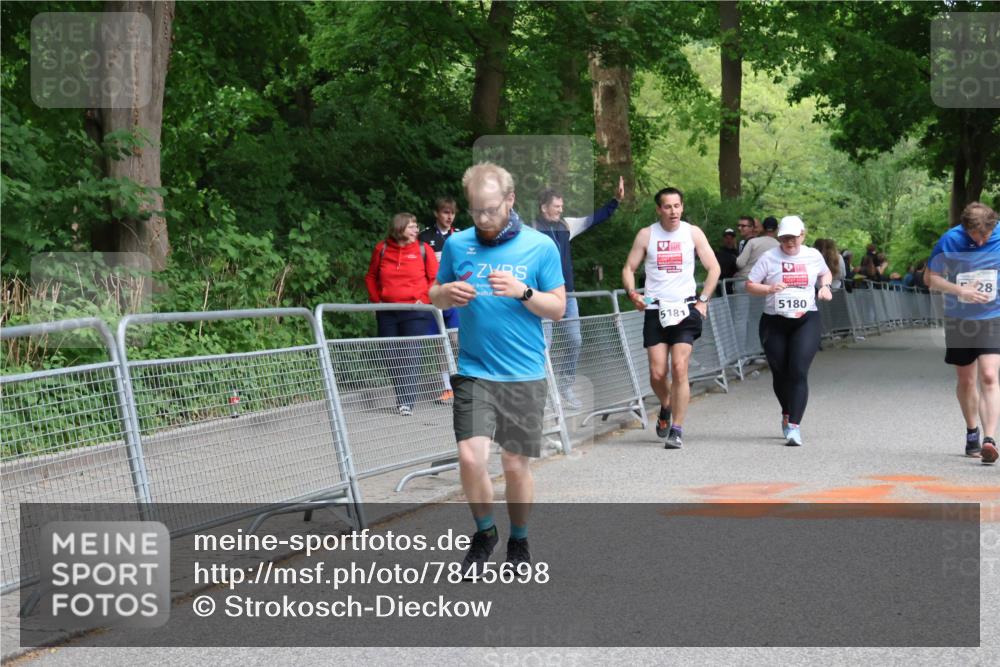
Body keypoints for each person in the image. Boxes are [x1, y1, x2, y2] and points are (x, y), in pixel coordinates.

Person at [430, 162, 565, 572]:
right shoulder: (458, 245)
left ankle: (519, 539)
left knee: (514, 464)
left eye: (490, 209)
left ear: (510, 200)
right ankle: (485, 532)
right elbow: (434, 294)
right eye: (476, 210)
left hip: (524, 372)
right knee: (471, 458)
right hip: (475, 369)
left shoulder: (540, 246)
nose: (483, 219)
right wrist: (446, 293)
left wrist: (524, 292)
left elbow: (558, 308)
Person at [621, 187, 721, 449]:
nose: (673, 211)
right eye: (667, 206)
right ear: (659, 209)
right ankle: (667, 404)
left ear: (682, 207)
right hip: (655, 309)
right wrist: (632, 293)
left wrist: (703, 300)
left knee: (679, 367)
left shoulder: (692, 233)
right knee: (657, 373)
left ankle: (677, 429)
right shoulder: (647, 234)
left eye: (677, 206)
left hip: (685, 309)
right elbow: (629, 268)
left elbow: (714, 268)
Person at [532, 176, 625, 410]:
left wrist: (615, 201)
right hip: (542, 296)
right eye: (556, 206)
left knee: (575, 339)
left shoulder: (566, 225)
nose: (560, 210)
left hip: (567, 294)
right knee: (543, 345)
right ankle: (542, 393)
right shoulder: (531, 231)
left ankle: (565, 385)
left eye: (561, 206)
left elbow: (595, 218)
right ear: (543, 208)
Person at [745, 215, 833, 446]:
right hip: (774, 322)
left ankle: (794, 426)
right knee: (780, 372)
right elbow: (750, 285)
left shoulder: (813, 255)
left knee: (798, 370)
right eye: (784, 238)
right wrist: (769, 289)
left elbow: (825, 272)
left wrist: (825, 286)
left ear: (802, 235)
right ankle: (787, 410)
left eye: (793, 237)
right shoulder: (769, 257)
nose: (789, 242)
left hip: (806, 320)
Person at [924, 202, 999, 463]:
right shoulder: (950, 239)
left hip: (993, 316)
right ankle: (972, 431)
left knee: (989, 375)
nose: (980, 242)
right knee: (966, 380)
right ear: (965, 228)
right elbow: (930, 278)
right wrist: (960, 290)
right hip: (960, 318)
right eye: (975, 237)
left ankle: (990, 439)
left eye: (986, 236)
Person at [365, 213, 439, 416]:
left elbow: (435, 278)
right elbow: (371, 276)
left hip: (416, 311)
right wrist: (377, 300)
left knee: (409, 354)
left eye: (416, 226)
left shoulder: (424, 250)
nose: (416, 230)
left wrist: (424, 298)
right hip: (387, 310)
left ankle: (406, 401)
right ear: (399, 228)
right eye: (411, 227)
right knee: (390, 354)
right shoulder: (382, 249)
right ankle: (402, 393)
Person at [419, 196, 461, 404]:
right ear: (437, 213)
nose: (449, 216)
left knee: (457, 340)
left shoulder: (461, 236)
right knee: (439, 344)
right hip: (434, 297)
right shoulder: (424, 237)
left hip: (455, 297)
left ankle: (465, 382)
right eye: (445, 212)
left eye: (452, 213)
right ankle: (447, 388)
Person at [734, 216, 780, 281]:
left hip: (746, 279)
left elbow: (740, 263)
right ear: (777, 229)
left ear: (763, 228)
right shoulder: (779, 246)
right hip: (766, 282)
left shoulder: (753, 242)